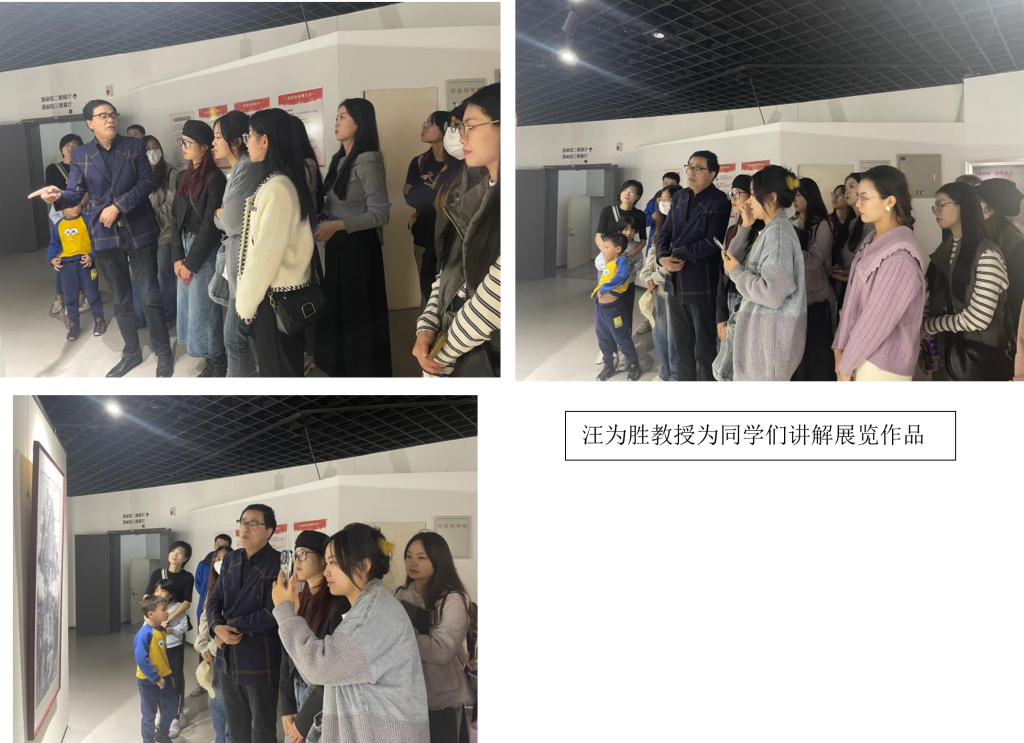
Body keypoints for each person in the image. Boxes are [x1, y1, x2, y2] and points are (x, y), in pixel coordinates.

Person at [29, 99, 173, 378]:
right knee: (121, 298)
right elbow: (75, 193)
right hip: (105, 235)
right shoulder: (81, 154)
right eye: (103, 116)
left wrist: (118, 206)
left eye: (112, 114)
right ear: (89, 123)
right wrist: (58, 196)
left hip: (139, 228)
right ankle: (131, 353)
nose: (110, 119)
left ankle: (163, 352)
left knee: (150, 295)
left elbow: (147, 182)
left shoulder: (133, 146)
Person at [270, 523, 429, 743]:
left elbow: (320, 667)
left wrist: (285, 612)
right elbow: (315, 673)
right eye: (327, 563)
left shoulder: (373, 615)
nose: (326, 571)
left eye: (333, 563)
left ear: (363, 566)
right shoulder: (368, 606)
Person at [412, 83, 501, 379]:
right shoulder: (476, 194)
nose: (462, 136)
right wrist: (427, 327)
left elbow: (491, 300)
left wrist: (442, 355)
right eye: (459, 127)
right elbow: (449, 271)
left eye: (470, 126)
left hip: (477, 348)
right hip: (451, 338)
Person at [314, 98, 392, 378]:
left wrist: (336, 226)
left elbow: (380, 214)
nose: (337, 122)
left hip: (359, 249)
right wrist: (323, 218)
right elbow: (335, 204)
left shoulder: (368, 159)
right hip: (339, 246)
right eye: (337, 116)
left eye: (343, 116)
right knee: (340, 312)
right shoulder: (340, 160)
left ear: (360, 123)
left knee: (358, 314)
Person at [235, 108, 315, 378]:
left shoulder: (278, 188)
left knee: (279, 371)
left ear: (265, 140)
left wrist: (246, 304)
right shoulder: (281, 182)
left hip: (275, 298)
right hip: (281, 295)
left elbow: (264, 256)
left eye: (249, 135)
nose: (246, 142)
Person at [832, 165, 927, 382]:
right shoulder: (872, 240)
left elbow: (875, 322)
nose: (858, 204)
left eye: (864, 197)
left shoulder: (900, 257)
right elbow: (852, 304)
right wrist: (839, 347)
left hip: (881, 365)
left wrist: (845, 366)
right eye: (858, 197)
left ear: (889, 201)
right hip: (858, 357)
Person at [715, 165, 807, 382]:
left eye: (753, 195)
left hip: (768, 344)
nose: (748, 202)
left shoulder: (778, 236)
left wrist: (736, 272)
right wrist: (746, 226)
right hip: (764, 338)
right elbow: (733, 262)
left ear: (772, 198)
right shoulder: (771, 229)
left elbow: (772, 294)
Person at [206, 505, 282, 743]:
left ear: (268, 531)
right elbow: (214, 600)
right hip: (227, 657)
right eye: (243, 522)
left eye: (253, 523)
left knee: (262, 730)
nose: (245, 528)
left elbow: (273, 612)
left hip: (259, 657)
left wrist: (230, 627)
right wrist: (216, 627)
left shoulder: (278, 563)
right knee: (236, 727)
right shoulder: (231, 559)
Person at [923, 181, 1011, 382]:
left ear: (963, 205)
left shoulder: (987, 254)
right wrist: (925, 340)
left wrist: (929, 326)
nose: (937, 211)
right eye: (935, 206)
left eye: (941, 204)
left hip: (978, 356)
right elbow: (935, 299)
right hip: (948, 354)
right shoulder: (944, 251)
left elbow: (979, 318)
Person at [656, 150, 730, 382]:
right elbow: (665, 232)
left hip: (701, 283)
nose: (691, 172)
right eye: (689, 167)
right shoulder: (680, 196)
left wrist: (676, 253)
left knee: (704, 350)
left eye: (698, 168)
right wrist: (661, 257)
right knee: (681, 347)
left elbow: (711, 243)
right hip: (675, 282)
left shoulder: (719, 200)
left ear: (712, 174)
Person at [396, 533, 475, 743]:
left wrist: (404, 633)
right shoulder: (401, 594)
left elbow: (441, 651)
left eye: (422, 557)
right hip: (407, 696)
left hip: (442, 697)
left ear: (438, 560)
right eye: (409, 556)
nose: (412, 562)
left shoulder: (452, 599)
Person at [279, 530, 349, 743]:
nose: (296, 561)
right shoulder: (300, 598)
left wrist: (304, 720)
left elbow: (334, 671)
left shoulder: (338, 604)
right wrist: (287, 705)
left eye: (303, 554)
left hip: (319, 699)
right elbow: (287, 651)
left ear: (322, 560)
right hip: (297, 689)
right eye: (295, 555)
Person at [171, 120, 227, 377]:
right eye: (181, 142)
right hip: (185, 248)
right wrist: (177, 258)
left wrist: (191, 263)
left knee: (205, 310)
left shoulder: (216, 179)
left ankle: (217, 361)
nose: (183, 147)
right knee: (191, 309)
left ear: (205, 147)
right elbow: (175, 218)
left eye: (188, 142)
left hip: (203, 250)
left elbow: (210, 226)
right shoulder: (182, 177)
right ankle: (209, 357)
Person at [211, 110, 264, 379]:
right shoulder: (237, 170)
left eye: (218, 136)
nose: (213, 143)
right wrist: (222, 215)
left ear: (236, 140)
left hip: (244, 264)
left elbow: (230, 222)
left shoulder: (247, 168)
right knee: (245, 332)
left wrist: (217, 215)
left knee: (234, 336)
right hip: (237, 262)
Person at [713, 175, 764, 382]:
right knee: (727, 359)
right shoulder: (733, 230)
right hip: (731, 298)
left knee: (744, 361)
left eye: (737, 193)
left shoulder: (763, 230)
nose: (732, 198)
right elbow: (725, 273)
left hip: (749, 302)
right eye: (731, 194)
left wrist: (747, 226)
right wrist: (720, 315)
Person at [790, 177, 836, 381]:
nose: (794, 199)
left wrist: (789, 251)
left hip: (816, 298)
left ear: (811, 196)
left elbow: (814, 260)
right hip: (794, 298)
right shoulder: (790, 222)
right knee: (797, 356)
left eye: (799, 194)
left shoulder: (823, 224)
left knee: (816, 354)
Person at [406, 110, 453, 305]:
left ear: (444, 130)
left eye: (430, 123)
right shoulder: (418, 162)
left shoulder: (458, 163)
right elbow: (411, 199)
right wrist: (435, 192)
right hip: (422, 233)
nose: (424, 127)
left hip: (450, 236)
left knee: (449, 289)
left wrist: (425, 191)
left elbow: (451, 200)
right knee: (426, 288)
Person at [48, 197, 107, 341]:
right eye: (72, 205)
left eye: (78, 204)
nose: (77, 207)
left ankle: (99, 319)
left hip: (85, 264)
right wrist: (52, 258)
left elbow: (95, 238)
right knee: (70, 296)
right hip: (67, 266)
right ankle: (73, 324)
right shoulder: (59, 226)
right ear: (62, 209)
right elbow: (54, 244)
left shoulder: (86, 220)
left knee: (92, 293)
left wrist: (91, 255)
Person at [641, 185, 683, 381]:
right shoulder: (660, 228)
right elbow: (651, 257)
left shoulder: (683, 228)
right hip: (658, 292)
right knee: (660, 335)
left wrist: (654, 278)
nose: (663, 203)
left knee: (674, 337)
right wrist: (647, 277)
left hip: (673, 291)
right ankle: (665, 372)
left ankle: (675, 375)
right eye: (661, 199)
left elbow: (673, 264)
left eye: (667, 199)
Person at [193, 545, 234, 743]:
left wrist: (214, 644)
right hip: (213, 655)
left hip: (232, 654)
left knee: (231, 704)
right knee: (216, 701)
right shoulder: (212, 589)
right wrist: (203, 645)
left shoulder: (239, 587)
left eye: (225, 558)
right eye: (217, 559)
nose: (220, 563)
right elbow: (205, 618)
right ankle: (220, 739)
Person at [595, 181, 646, 334]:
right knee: (605, 304)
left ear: (637, 196)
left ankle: (625, 336)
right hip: (607, 264)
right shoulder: (608, 211)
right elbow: (598, 236)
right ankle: (607, 340)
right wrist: (608, 255)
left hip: (627, 265)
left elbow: (643, 240)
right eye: (624, 190)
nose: (627, 193)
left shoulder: (639, 215)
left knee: (625, 304)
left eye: (632, 191)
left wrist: (629, 256)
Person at [976, 177, 1024, 341]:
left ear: (991, 208)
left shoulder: (1015, 242)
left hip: (1004, 329)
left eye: (977, 203)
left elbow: (1016, 295)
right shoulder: (985, 235)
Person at [593, 233, 641, 381]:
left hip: (614, 309)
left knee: (621, 337)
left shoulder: (622, 261)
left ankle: (634, 364)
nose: (603, 250)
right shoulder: (609, 263)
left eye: (606, 247)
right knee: (603, 337)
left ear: (618, 249)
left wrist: (605, 288)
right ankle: (609, 364)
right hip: (600, 309)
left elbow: (621, 277)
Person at [142, 135, 179, 326]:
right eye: (148, 149)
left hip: (164, 233)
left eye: (155, 147)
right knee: (146, 276)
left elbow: (171, 203)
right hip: (142, 235)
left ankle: (169, 314)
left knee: (165, 276)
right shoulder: (136, 172)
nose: (152, 152)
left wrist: (153, 221)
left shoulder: (170, 172)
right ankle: (147, 315)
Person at [135, 595, 177, 743]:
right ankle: (148, 740)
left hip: (164, 678)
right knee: (149, 714)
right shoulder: (144, 634)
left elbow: (162, 655)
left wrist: (168, 675)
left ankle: (162, 733)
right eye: (163, 609)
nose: (167, 612)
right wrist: (155, 678)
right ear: (151, 614)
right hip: (148, 681)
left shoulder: (162, 630)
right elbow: (141, 658)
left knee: (172, 706)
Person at [831, 172, 874, 311]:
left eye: (851, 186)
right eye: (845, 188)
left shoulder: (871, 224)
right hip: (850, 287)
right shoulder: (853, 223)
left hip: (863, 292)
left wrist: (848, 275)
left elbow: (871, 263)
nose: (846, 191)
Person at [153, 579, 190, 736]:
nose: (158, 593)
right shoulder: (153, 608)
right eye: (156, 590)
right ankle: (161, 714)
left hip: (174, 649)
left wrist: (169, 629)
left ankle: (176, 717)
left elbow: (184, 626)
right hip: (158, 650)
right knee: (159, 681)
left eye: (162, 591)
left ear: (171, 594)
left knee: (176, 681)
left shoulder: (177, 607)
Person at [144, 541, 195, 626]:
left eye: (180, 553)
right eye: (173, 551)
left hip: (175, 619)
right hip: (155, 617)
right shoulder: (157, 573)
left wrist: (168, 619)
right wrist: (147, 618)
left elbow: (186, 603)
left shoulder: (187, 577)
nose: (175, 554)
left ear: (185, 559)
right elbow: (147, 596)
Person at [193, 533, 233, 629]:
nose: (220, 547)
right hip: (205, 606)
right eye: (218, 545)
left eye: (224, 545)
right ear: (214, 545)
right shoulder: (203, 564)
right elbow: (198, 584)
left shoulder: (234, 566)